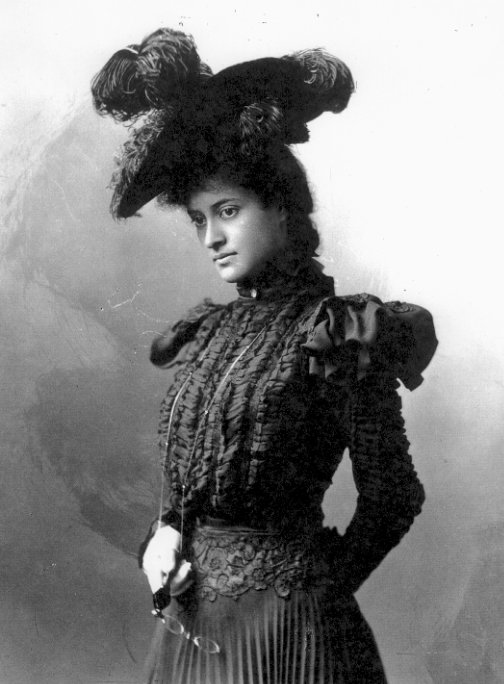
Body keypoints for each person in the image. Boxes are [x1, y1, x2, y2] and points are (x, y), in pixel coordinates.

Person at [92, 28, 438, 684]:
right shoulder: (210, 334)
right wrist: (164, 537)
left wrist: (316, 591)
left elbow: (394, 495)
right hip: (190, 633)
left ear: (282, 209)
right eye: (200, 219)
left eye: (228, 210)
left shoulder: (338, 334)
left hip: (292, 641)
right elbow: (191, 493)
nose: (212, 237)